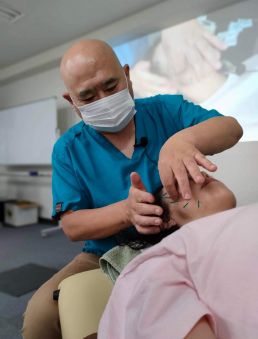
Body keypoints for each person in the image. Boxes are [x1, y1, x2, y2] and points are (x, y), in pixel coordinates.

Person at [21, 39, 242, 339]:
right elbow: (72, 226)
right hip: (104, 250)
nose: (103, 100)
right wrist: (125, 212)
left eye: (111, 86)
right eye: (88, 97)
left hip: (182, 240)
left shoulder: (166, 111)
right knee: (39, 316)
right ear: (71, 101)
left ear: (127, 74)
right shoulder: (68, 150)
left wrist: (182, 141)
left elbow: (231, 128)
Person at [98, 172, 258, 339]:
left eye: (197, 173)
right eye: (183, 183)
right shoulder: (165, 260)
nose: (200, 176)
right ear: (166, 219)